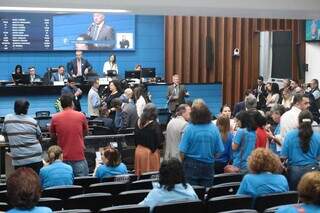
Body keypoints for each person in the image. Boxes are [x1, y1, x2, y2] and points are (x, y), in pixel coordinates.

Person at [179, 102, 224, 187]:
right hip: (208, 165)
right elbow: (219, 151)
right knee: (206, 193)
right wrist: (211, 157)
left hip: (190, 165)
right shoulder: (214, 128)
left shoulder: (189, 128)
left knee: (192, 194)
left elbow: (182, 152)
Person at [50, 94, 89, 177]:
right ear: (72, 103)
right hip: (79, 156)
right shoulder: (81, 115)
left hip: (63, 158)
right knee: (83, 184)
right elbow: (85, 132)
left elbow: (53, 137)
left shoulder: (54, 118)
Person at [281, 110, 320, 190]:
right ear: (312, 122)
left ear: (299, 121)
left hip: (294, 173)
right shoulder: (318, 137)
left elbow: (283, 156)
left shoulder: (289, 135)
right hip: (313, 173)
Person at [2, 99, 43, 174]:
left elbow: (5, 135)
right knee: (36, 181)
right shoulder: (33, 121)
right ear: (27, 109)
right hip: (36, 158)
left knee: (22, 183)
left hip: (19, 160)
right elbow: (40, 138)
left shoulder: (7, 119)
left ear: (14, 108)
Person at [134, 103, 164, 176]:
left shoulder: (138, 121)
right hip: (150, 153)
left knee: (140, 177)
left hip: (138, 151)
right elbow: (160, 141)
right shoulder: (155, 125)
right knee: (151, 177)